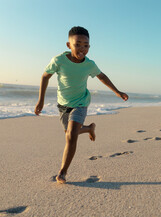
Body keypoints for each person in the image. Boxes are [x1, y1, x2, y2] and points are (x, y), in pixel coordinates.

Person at [34, 26, 128, 184]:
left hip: (81, 103)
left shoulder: (89, 64)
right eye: (77, 44)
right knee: (69, 133)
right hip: (63, 105)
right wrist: (41, 100)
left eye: (86, 45)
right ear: (68, 45)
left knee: (71, 136)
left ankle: (63, 172)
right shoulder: (58, 60)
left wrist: (117, 92)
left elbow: (102, 76)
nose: (82, 48)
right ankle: (89, 128)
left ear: (89, 47)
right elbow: (45, 77)